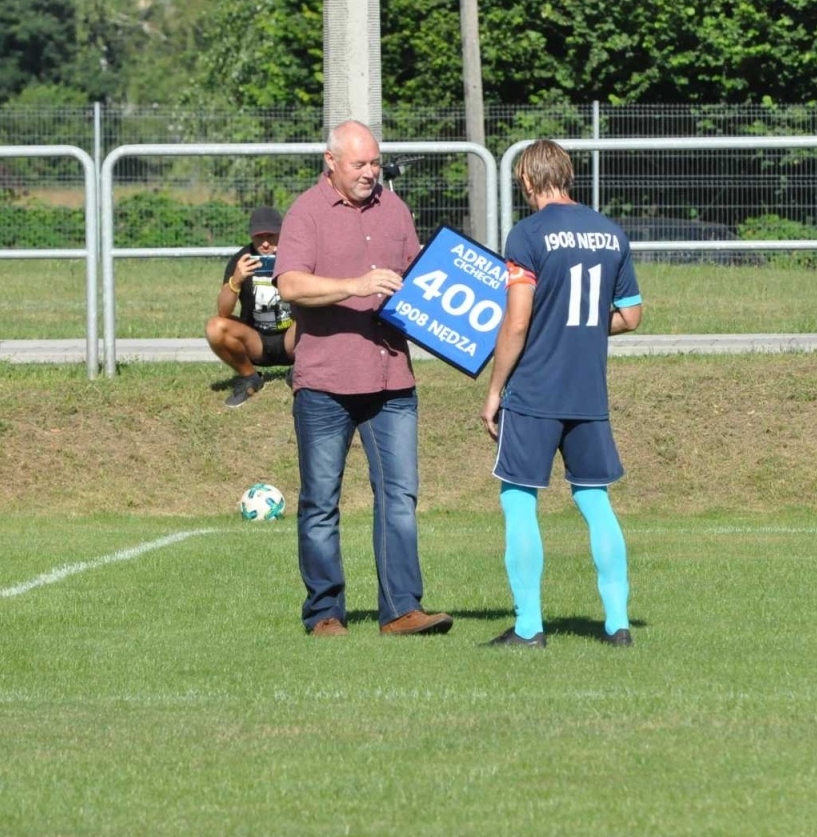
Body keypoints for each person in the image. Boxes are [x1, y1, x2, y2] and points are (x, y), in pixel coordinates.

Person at [273, 120, 453, 638]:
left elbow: (421, 281)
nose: (370, 172)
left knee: (400, 498)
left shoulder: (395, 209)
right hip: (326, 382)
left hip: (392, 380)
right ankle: (325, 614)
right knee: (320, 503)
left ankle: (401, 610)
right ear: (330, 161)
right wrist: (356, 285)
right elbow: (290, 284)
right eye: (360, 164)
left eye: (375, 162)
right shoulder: (305, 212)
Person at [480, 140, 643, 648]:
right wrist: (583, 329)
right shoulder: (611, 233)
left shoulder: (527, 234)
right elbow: (631, 316)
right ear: (567, 175)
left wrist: (494, 390)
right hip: (588, 391)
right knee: (594, 499)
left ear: (528, 181)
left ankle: (529, 627)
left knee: (518, 499)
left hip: (535, 390)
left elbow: (517, 322)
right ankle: (618, 624)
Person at [206, 205, 296, 408]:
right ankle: (250, 377)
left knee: (327, 313)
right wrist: (236, 280)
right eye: (259, 237)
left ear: (282, 233)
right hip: (256, 341)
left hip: (293, 338)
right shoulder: (242, 259)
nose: (265, 243)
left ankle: (301, 372)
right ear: (250, 235)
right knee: (214, 327)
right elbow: (223, 312)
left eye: (271, 236)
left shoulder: (297, 254)